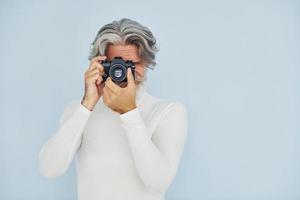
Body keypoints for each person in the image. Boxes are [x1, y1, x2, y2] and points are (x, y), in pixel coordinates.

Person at [39, 18, 188, 200]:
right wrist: (87, 104)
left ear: (146, 64)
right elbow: (49, 169)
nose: (123, 72)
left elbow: (158, 183)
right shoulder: (79, 110)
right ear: (101, 65)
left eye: (132, 64)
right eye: (116, 63)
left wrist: (129, 112)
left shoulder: (168, 111)